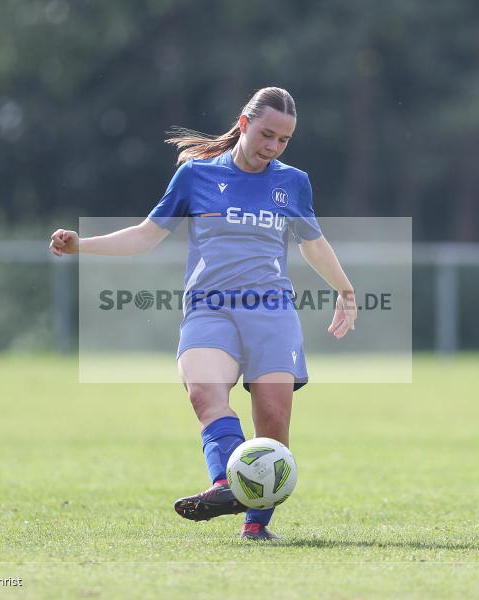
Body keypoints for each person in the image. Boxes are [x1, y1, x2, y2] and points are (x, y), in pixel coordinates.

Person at [49, 87, 356, 541]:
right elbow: (146, 235)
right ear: (244, 124)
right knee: (204, 395)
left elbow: (312, 242)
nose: (273, 147)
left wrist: (345, 290)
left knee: (273, 423)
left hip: (271, 311)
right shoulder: (195, 176)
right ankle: (224, 485)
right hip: (209, 309)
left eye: (284, 140)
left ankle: (255, 526)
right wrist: (82, 245)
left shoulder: (293, 182)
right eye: (267, 135)